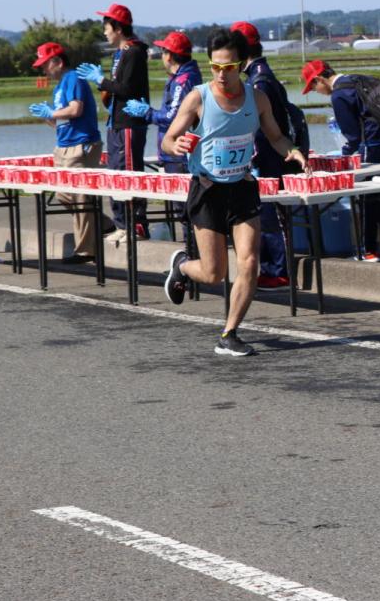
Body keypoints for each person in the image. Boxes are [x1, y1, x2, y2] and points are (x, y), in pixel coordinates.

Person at [160, 28, 309, 357]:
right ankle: (183, 266)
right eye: (215, 66)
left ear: (241, 66)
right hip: (208, 190)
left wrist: (293, 151)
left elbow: (275, 137)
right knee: (214, 274)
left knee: (250, 263)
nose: (221, 74)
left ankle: (229, 333)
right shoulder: (198, 97)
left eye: (228, 67)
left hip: (242, 186)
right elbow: (167, 139)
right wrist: (178, 143)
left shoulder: (257, 98)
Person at [302, 59, 380, 261]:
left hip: (374, 144)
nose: (315, 91)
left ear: (319, 79)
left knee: (367, 195)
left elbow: (352, 136)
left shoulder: (339, 94)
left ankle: (368, 250)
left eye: (313, 86)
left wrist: (341, 157)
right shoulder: (357, 79)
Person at [76, 2, 150, 242]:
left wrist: (101, 80)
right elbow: (116, 89)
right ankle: (122, 224)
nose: (104, 32)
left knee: (129, 173)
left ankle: (135, 225)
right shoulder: (120, 53)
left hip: (129, 123)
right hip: (115, 123)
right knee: (115, 173)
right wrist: (103, 84)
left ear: (118, 27)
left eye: (107, 27)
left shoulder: (134, 51)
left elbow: (127, 88)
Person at [122, 31, 202, 242]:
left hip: (179, 156)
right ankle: (191, 253)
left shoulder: (183, 80)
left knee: (186, 211)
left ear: (170, 55)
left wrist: (147, 113)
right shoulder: (183, 77)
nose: (161, 55)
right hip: (175, 154)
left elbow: (173, 116)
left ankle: (192, 255)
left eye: (163, 50)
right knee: (183, 211)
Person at [27, 41, 103, 264]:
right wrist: (48, 116)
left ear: (58, 61)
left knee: (80, 196)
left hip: (81, 145)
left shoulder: (73, 79)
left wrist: (54, 112)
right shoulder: (58, 86)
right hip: (63, 146)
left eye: (45, 64)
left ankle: (85, 250)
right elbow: (61, 121)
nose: (43, 69)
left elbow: (76, 109)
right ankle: (101, 223)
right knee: (62, 193)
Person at [231, 20, 293, 290]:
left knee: (272, 218)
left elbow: (265, 127)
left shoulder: (260, 79)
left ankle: (279, 270)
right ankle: (271, 267)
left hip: (269, 158)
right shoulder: (259, 75)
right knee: (264, 215)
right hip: (265, 157)